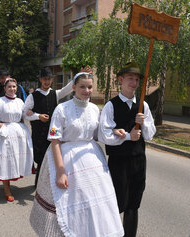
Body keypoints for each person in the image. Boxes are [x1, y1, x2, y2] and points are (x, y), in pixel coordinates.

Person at [30, 72, 124, 237]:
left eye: (89, 87)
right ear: (73, 87)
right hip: (66, 160)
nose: (86, 90)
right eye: (82, 86)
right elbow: (55, 140)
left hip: (92, 160)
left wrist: (114, 131)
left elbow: (97, 134)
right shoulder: (62, 109)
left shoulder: (95, 109)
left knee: (92, 204)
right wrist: (60, 171)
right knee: (69, 204)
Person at [98, 62, 156, 237]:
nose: (134, 82)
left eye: (137, 79)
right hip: (119, 161)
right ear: (121, 80)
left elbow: (150, 134)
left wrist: (144, 122)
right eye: (130, 78)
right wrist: (126, 137)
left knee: (133, 204)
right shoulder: (111, 105)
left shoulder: (142, 105)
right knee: (117, 203)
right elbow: (103, 135)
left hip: (138, 160)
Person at [0, 78, 33, 202]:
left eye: (14, 87)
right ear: (5, 88)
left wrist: (36, 116)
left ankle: (11, 182)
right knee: (6, 161)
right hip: (4, 135)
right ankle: (7, 189)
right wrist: (0, 125)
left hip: (18, 134)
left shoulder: (20, 101)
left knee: (15, 160)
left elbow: (24, 115)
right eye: (9, 87)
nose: (12, 89)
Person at [23, 67, 73, 187]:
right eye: (45, 79)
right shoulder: (33, 96)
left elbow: (68, 89)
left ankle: (51, 185)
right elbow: (24, 113)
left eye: (49, 79)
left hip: (52, 134)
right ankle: (39, 186)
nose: (47, 81)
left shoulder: (55, 94)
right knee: (41, 160)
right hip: (39, 134)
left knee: (53, 158)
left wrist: (80, 75)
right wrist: (37, 116)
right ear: (40, 79)